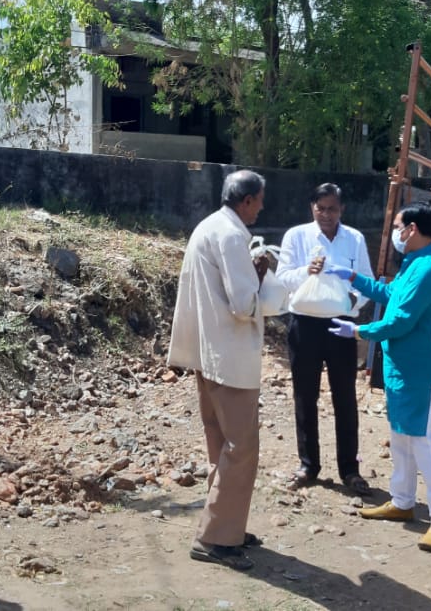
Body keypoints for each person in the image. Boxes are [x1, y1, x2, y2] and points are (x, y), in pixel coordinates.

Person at [323, 202, 431, 553]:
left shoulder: (429, 269)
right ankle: (402, 501)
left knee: (425, 444)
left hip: (422, 371)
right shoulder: (414, 264)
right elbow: (391, 295)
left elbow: (400, 322)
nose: (396, 233)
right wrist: (352, 277)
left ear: (411, 229)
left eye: (398, 226)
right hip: (403, 368)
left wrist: (358, 331)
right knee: (401, 438)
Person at [168, 169, 271, 571]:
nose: (262, 207)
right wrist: (261, 276)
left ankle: (226, 525)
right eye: (260, 200)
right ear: (246, 200)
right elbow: (243, 304)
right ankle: (215, 537)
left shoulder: (209, 226)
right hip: (229, 357)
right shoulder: (230, 235)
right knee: (241, 448)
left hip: (207, 354)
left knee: (221, 444)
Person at [275, 183, 375, 496]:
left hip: (340, 326)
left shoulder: (354, 238)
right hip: (304, 324)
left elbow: (365, 283)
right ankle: (308, 464)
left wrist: (350, 302)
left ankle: (350, 470)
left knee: (345, 397)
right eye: (320, 208)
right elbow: (282, 278)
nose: (326, 215)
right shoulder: (296, 236)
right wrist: (308, 271)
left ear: (341, 210)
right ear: (312, 208)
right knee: (305, 396)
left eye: (332, 209)